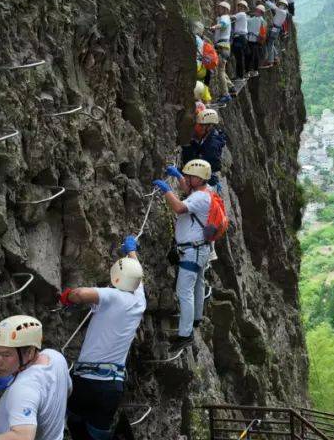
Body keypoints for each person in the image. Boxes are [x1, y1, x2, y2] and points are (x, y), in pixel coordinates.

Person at [59, 239, 146, 440]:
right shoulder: (139, 300)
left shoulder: (112, 296)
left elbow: (81, 294)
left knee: (75, 424)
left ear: (116, 278)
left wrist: (67, 297)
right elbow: (138, 275)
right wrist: (131, 251)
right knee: (97, 434)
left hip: (86, 382)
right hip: (111, 387)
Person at [0, 315, 71, 440]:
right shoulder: (55, 357)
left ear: (29, 352)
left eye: (6, 354)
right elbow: (67, 389)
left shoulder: (23, 388)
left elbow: (23, 437)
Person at [152, 160, 219, 350]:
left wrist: (166, 190)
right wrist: (179, 177)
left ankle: (185, 334)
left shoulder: (200, 198)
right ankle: (196, 318)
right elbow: (190, 192)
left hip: (192, 251)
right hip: (200, 249)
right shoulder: (205, 192)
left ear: (198, 179)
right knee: (197, 283)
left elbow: (180, 207)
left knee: (184, 291)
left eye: (190, 177)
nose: (187, 180)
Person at [180, 108, 228, 175]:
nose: (195, 127)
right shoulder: (209, 135)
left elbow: (200, 168)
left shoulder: (211, 147)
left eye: (199, 125)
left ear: (207, 127)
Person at [211, 1, 233, 99]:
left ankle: (226, 94)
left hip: (222, 47)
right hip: (223, 47)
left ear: (225, 10)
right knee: (221, 70)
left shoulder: (225, 17)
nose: (218, 10)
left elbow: (222, 25)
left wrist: (215, 27)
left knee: (220, 72)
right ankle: (231, 87)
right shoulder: (223, 18)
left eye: (220, 8)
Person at [261, 0, 290, 68]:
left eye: (282, 4)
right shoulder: (284, 12)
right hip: (276, 29)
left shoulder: (281, 11)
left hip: (275, 29)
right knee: (270, 42)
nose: (281, 5)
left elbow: (273, 7)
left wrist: (266, 1)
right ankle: (276, 57)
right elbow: (274, 7)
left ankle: (270, 61)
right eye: (281, 4)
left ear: (284, 6)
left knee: (270, 44)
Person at [230, 0, 250, 82]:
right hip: (241, 37)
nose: (240, 8)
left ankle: (240, 76)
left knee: (239, 57)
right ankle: (239, 75)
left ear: (245, 9)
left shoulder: (241, 14)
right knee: (238, 57)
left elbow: (232, 17)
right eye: (239, 6)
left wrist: (223, 16)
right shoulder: (243, 15)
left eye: (242, 7)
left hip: (240, 37)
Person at [246, 5, 266, 77]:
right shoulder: (260, 20)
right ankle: (253, 71)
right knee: (252, 56)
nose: (256, 12)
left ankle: (251, 71)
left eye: (258, 11)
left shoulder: (260, 20)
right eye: (256, 10)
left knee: (251, 56)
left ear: (261, 13)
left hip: (254, 40)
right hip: (253, 40)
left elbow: (248, 20)